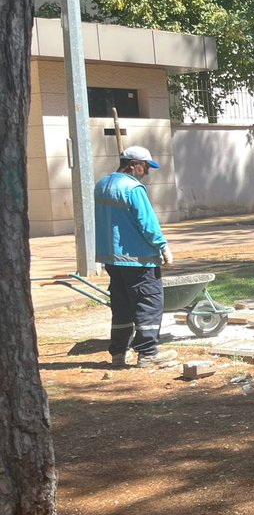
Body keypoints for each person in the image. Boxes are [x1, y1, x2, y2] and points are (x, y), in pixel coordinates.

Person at [94, 146, 179, 368]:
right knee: (148, 303)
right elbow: (147, 223)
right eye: (145, 167)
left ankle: (119, 353)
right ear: (133, 164)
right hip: (138, 258)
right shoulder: (133, 189)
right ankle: (148, 353)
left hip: (112, 258)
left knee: (122, 306)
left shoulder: (102, 185)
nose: (147, 172)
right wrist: (163, 246)